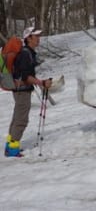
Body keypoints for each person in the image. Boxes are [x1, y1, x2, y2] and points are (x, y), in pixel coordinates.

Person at [5, 27, 52, 157]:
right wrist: (41, 83)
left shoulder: (28, 52)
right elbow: (26, 76)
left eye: (38, 36)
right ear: (28, 38)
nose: (38, 38)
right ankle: (13, 149)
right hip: (22, 90)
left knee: (17, 118)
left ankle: (10, 145)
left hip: (20, 89)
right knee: (21, 119)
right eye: (36, 36)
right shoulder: (26, 54)